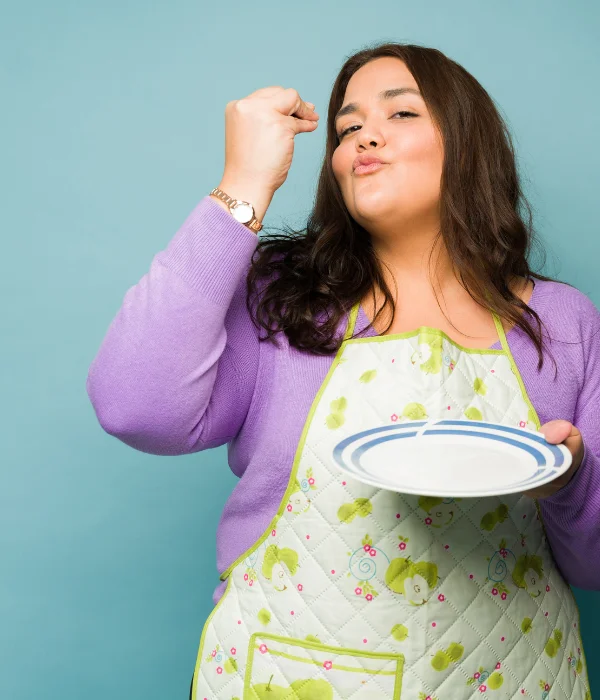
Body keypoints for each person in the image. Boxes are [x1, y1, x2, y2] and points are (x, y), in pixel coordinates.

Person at [87, 42, 598, 699]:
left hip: (511, 677)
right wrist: (242, 187)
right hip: (283, 673)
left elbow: (593, 564)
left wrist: (571, 481)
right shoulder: (282, 299)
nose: (365, 136)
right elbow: (133, 406)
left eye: (402, 114)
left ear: (470, 145)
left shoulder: (564, 322)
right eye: (347, 127)